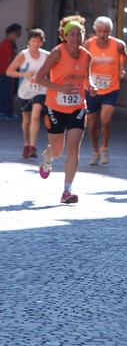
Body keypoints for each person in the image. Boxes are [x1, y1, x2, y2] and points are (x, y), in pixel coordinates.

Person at [35, 15, 98, 204]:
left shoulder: (87, 55)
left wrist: (92, 86)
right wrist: (61, 88)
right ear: (64, 36)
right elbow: (39, 78)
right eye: (71, 34)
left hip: (78, 107)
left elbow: (87, 77)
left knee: (73, 147)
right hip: (55, 107)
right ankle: (48, 156)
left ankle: (67, 190)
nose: (76, 38)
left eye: (79, 34)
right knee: (57, 149)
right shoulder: (56, 53)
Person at [83, 16, 127, 165]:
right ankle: (95, 151)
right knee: (93, 123)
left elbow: (124, 55)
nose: (103, 35)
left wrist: (121, 68)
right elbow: (82, 61)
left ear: (110, 31)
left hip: (111, 88)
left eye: (106, 32)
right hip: (92, 89)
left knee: (106, 120)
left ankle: (105, 148)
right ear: (96, 30)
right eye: (100, 31)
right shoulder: (88, 44)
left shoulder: (118, 45)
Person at [6, 28, 49, 158]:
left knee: (36, 115)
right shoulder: (23, 55)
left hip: (41, 90)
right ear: (28, 41)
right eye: (33, 40)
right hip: (25, 90)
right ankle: (26, 143)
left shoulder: (46, 55)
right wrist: (23, 74)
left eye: (38, 41)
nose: (36, 43)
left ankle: (32, 147)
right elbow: (9, 71)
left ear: (42, 42)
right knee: (26, 120)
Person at [0, 23, 22, 119]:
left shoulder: (10, 44)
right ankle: (6, 112)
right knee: (6, 93)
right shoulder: (6, 44)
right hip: (5, 71)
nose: (15, 36)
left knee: (10, 92)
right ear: (8, 34)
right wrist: (17, 56)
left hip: (9, 71)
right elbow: (9, 59)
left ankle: (8, 112)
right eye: (13, 34)